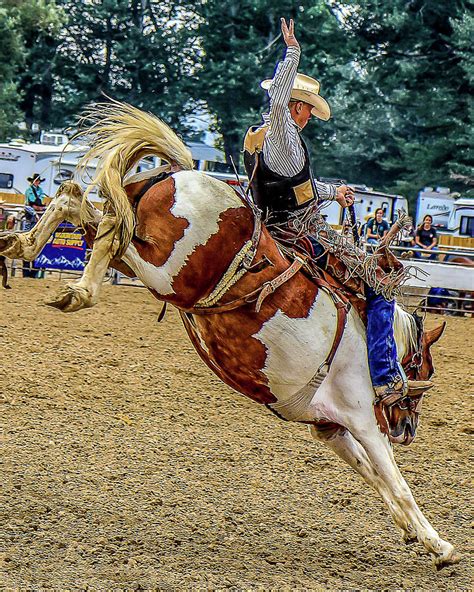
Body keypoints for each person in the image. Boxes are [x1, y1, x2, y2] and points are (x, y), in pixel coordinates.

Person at [243, 18, 432, 405]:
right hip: (295, 231)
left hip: (277, 224)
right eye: (307, 109)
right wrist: (292, 51)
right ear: (296, 107)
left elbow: (296, 186)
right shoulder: (282, 130)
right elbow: (278, 102)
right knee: (378, 286)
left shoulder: (260, 137)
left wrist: (333, 192)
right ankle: (384, 374)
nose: (310, 116)